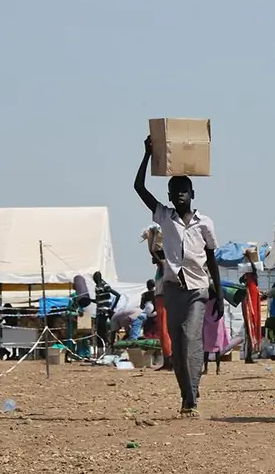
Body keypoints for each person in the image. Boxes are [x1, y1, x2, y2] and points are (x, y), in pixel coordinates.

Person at [134, 136, 223, 418]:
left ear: (192, 193)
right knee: (177, 344)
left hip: (198, 289)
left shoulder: (205, 223)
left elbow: (212, 259)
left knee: (189, 336)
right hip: (173, 290)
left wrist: (219, 294)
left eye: (185, 190)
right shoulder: (164, 216)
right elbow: (139, 187)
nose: (180, 194)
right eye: (175, 191)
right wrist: (147, 154)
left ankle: (192, 396)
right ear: (170, 196)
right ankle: (187, 394)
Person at [92, 271, 122, 351]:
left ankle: (109, 347)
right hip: (99, 311)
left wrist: (112, 308)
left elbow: (117, 295)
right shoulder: (97, 286)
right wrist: (90, 300)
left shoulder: (104, 285)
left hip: (105, 311)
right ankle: (102, 349)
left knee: (104, 331)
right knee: (99, 332)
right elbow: (99, 300)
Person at [203, 293, 230, 375]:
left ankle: (205, 369)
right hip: (217, 325)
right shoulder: (218, 301)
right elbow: (221, 312)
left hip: (207, 325)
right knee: (217, 349)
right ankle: (218, 369)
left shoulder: (205, 301)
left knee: (206, 349)